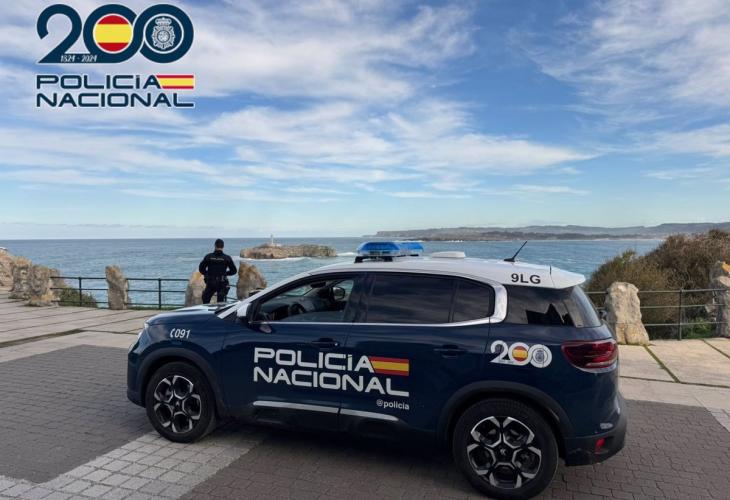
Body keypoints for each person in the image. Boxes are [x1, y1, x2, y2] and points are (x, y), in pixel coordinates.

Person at [198, 239, 237, 304]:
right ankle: (220, 310)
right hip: (222, 282)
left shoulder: (208, 256)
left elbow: (201, 269)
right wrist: (225, 273)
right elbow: (234, 271)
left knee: (205, 299)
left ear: (215, 246)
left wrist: (207, 274)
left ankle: (207, 310)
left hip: (211, 282)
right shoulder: (227, 258)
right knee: (221, 303)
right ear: (223, 246)